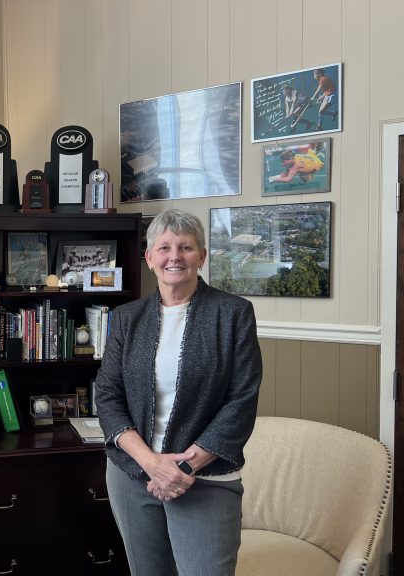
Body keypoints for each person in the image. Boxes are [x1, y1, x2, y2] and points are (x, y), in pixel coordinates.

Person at [95, 208, 262, 576]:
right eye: (165, 247)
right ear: (149, 257)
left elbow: (242, 400)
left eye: (186, 247)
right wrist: (152, 463)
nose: (175, 256)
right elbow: (107, 393)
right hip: (133, 474)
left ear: (202, 256)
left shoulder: (233, 314)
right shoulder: (126, 318)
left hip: (206, 480)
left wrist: (182, 469)